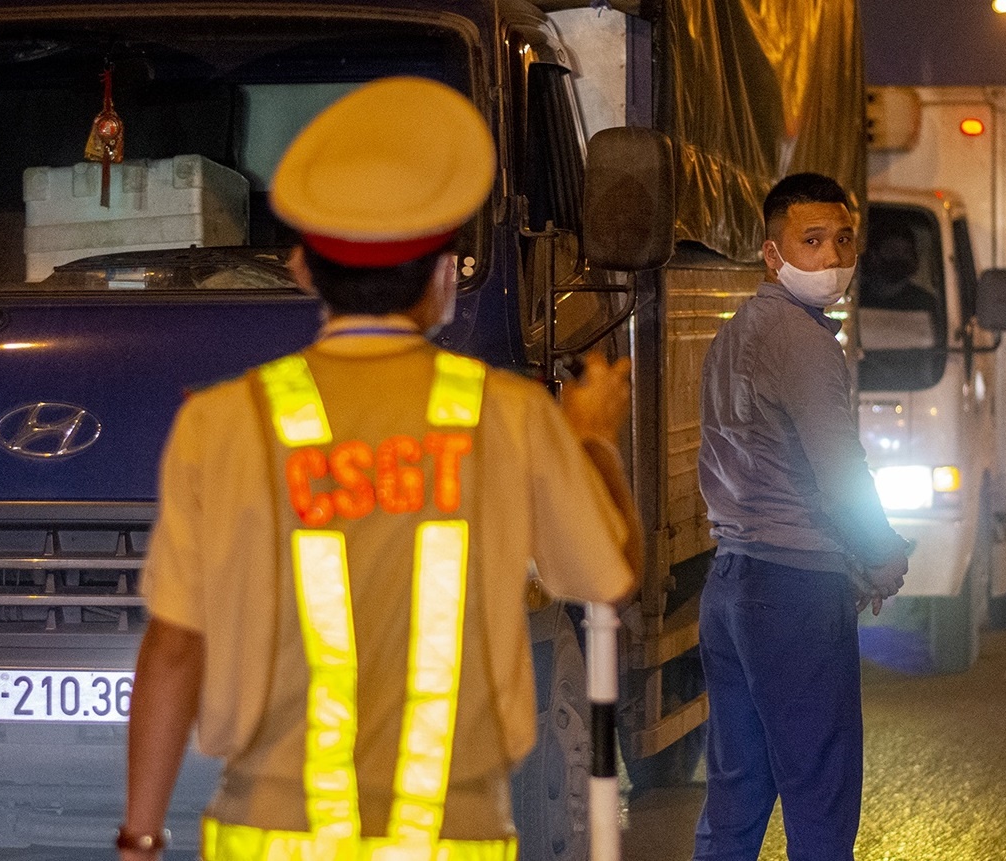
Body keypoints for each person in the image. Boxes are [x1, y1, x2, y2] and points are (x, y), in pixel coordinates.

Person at [118, 76, 641, 861]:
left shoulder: (221, 422)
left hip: (269, 834)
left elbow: (172, 648)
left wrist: (141, 833)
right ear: (441, 281)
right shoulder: (508, 414)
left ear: (300, 269)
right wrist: (593, 438)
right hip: (448, 836)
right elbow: (610, 575)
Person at [694, 172, 910, 861]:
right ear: (771, 253)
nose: (831, 258)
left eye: (843, 240)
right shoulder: (804, 341)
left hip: (728, 583)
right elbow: (839, 468)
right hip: (792, 589)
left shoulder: (732, 336)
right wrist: (880, 555)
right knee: (820, 801)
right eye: (810, 241)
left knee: (736, 795)